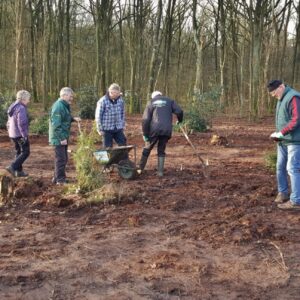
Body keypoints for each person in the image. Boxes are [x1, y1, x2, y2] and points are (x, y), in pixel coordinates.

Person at [268, 79, 300, 210]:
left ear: (281, 87)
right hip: (283, 141)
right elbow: (284, 119)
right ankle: (283, 193)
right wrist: (278, 134)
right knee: (280, 167)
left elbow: (296, 119)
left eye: (275, 92)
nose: (274, 96)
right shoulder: (281, 98)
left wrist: (281, 133)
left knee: (292, 169)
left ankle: (296, 201)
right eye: (272, 94)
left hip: (294, 141)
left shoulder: (293, 97)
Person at [139, 91, 183, 177]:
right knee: (161, 149)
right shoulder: (170, 101)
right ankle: (160, 172)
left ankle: (140, 169)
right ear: (160, 95)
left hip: (154, 129)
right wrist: (180, 120)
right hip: (166, 129)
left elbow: (146, 119)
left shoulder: (151, 102)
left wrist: (145, 134)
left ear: (153, 97)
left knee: (147, 148)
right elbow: (179, 111)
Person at [49, 87, 81, 185]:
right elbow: (56, 125)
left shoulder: (64, 105)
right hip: (58, 137)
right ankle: (60, 180)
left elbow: (65, 117)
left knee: (63, 158)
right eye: (70, 96)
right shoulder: (58, 107)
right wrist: (61, 138)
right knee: (61, 159)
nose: (72, 98)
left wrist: (73, 118)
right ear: (64, 95)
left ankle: (56, 177)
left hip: (63, 135)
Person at [6, 90, 31, 177]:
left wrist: (9, 131)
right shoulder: (21, 108)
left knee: (19, 151)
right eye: (28, 99)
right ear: (23, 99)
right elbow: (22, 123)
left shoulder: (13, 106)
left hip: (13, 134)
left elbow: (8, 121)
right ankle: (13, 167)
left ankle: (18, 172)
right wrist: (24, 135)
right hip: (19, 134)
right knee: (26, 152)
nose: (29, 101)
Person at [95, 83, 126, 148]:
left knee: (123, 144)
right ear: (110, 92)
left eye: (118, 94)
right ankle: (107, 158)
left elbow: (122, 113)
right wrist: (99, 129)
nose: (117, 95)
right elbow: (98, 116)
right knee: (107, 148)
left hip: (118, 128)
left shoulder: (120, 100)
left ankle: (124, 158)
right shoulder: (102, 101)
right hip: (106, 129)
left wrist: (123, 125)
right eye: (115, 94)